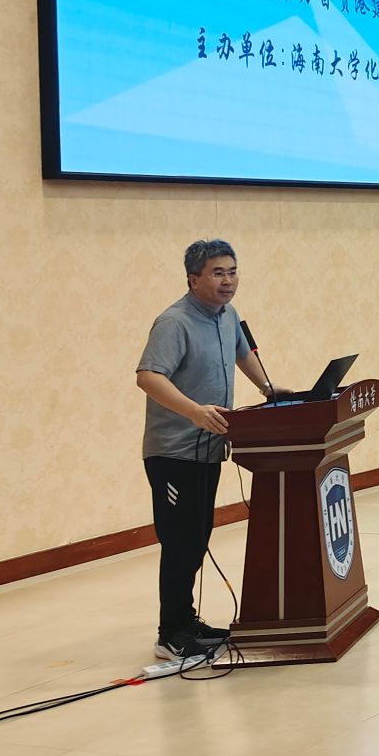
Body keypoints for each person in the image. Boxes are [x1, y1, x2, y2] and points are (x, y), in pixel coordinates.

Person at [135, 239, 283, 661]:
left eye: (232, 272)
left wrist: (269, 389)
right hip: (173, 453)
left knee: (197, 536)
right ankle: (169, 633)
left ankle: (187, 621)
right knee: (180, 541)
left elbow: (242, 353)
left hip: (208, 449)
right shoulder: (174, 322)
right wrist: (194, 411)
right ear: (193, 279)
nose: (228, 281)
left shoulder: (227, 315)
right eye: (218, 273)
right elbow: (148, 377)